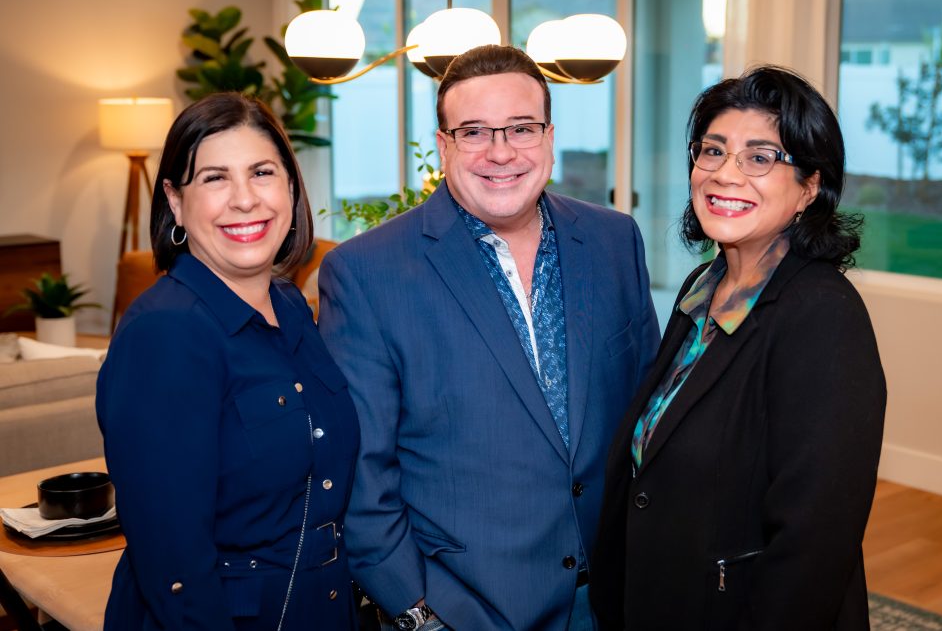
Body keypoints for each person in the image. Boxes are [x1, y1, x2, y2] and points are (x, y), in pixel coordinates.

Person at [317, 44, 660, 631]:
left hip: (616, 594)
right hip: (467, 612)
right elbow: (363, 477)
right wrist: (419, 614)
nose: (501, 153)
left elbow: (650, 419)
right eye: (474, 131)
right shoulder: (367, 273)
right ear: (444, 143)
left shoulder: (613, 240)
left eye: (521, 128)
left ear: (550, 135)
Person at [590, 66, 887, 630]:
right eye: (713, 151)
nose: (726, 175)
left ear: (810, 186)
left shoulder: (822, 316)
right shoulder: (701, 289)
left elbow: (815, 541)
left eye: (760, 158)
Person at [96, 93, 360, 630]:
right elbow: (173, 560)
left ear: (291, 186)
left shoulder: (291, 305)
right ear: (174, 200)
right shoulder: (165, 332)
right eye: (215, 178)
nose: (245, 199)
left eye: (262, 172)